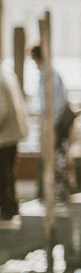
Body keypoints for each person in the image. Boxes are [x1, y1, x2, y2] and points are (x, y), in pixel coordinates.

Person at [30, 44, 75, 202]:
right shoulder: (48, 73)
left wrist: (52, 126)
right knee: (56, 157)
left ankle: (59, 191)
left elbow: (55, 103)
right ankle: (54, 191)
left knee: (57, 157)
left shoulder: (49, 75)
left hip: (56, 124)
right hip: (54, 123)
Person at [0, 64, 29, 221]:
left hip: (4, 137)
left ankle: (7, 210)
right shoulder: (7, 73)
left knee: (3, 176)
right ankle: (12, 207)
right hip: (13, 134)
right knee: (8, 174)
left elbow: (1, 110)